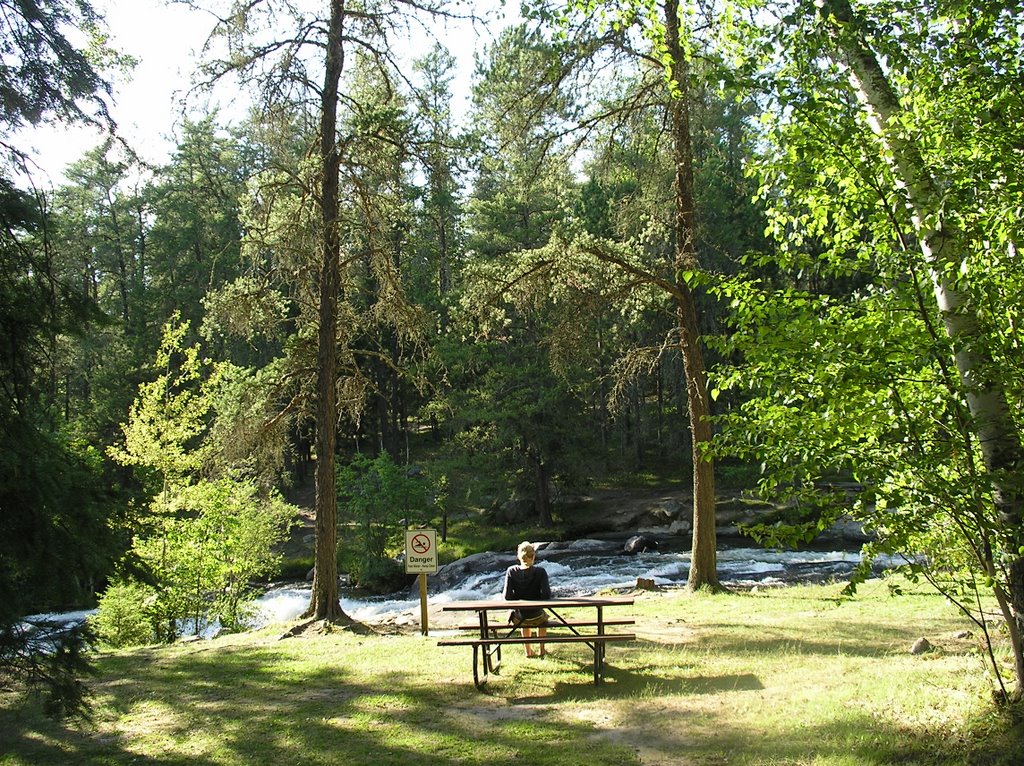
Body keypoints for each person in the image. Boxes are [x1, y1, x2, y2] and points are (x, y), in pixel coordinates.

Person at [503, 541, 551, 657]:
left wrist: (519, 598)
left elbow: (507, 597)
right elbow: (546, 595)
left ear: (518, 557)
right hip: (537, 614)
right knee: (543, 619)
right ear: (533, 556)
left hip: (520, 617)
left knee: (523, 618)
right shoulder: (541, 572)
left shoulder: (511, 571)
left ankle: (528, 651)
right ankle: (542, 649)